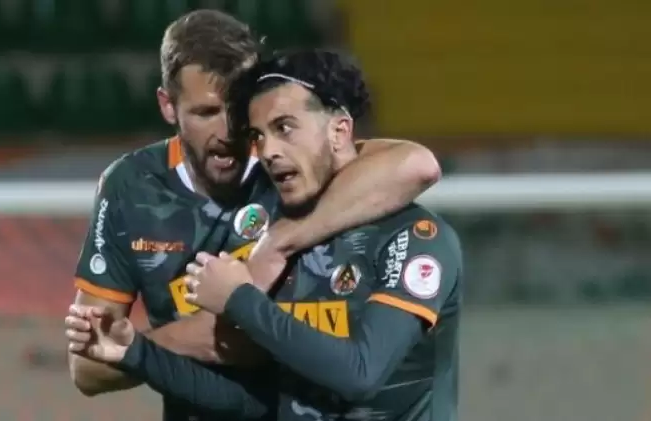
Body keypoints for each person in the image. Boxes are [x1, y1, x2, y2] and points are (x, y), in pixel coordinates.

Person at [65, 10, 442, 421]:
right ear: (168, 106)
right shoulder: (131, 188)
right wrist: (198, 335)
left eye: (238, 109)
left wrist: (278, 243)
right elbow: (88, 368)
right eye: (206, 113)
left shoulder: (287, 164)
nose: (228, 131)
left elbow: (417, 165)